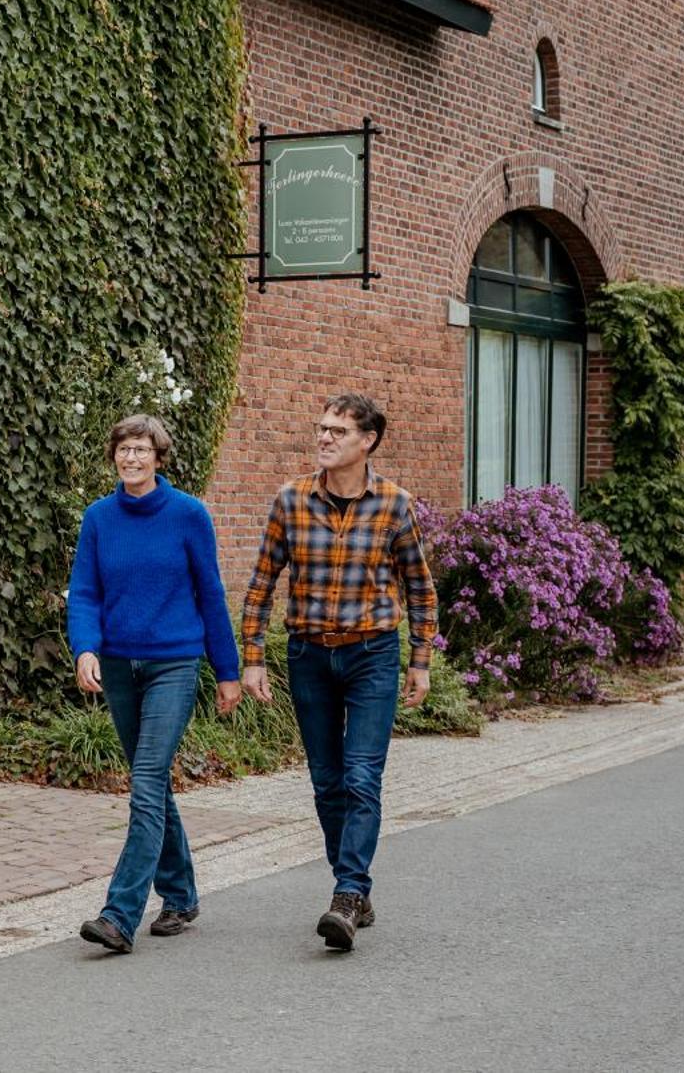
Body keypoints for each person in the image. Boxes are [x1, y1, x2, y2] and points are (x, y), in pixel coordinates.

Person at [239, 391, 437, 951]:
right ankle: (353, 884)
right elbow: (261, 583)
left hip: (372, 653)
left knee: (361, 777)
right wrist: (253, 657)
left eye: (338, 431)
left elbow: (419, 588)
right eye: (322, 428)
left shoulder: (394, 505)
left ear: (367, 441)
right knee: (327, 782)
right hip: (307, 654)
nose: (324, 438)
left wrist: (419, 661)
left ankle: (348, 894)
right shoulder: (291, 500)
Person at [68, 414, 241, 955]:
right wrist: (86, 648)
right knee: (154, 789)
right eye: (124, 449)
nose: (132, 458)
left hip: (173, 664)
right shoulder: (99, 518)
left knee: (144, 781)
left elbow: (210, 594)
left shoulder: (188, 515)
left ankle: (119, 914)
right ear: (114, 456)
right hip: (119, 665)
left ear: (159, 457)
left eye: (142, 449)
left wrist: (228, 671)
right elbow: (86, 591)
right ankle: (182, 894)